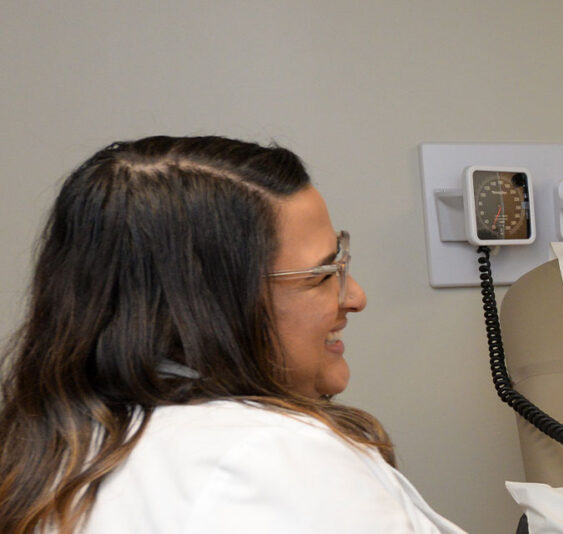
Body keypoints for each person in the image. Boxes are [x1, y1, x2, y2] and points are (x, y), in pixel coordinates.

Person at [0, 136, 469, 533]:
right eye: (321, 275)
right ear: (205, 303)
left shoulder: (52, 454)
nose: (356, 297)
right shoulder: (268, 458)